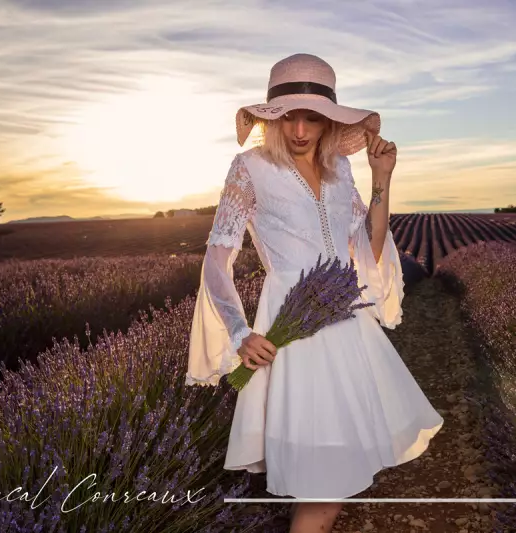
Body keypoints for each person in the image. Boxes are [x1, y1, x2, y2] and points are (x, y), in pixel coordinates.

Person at [186, 53, 444, 533]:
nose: (299, 130)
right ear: (272, 118)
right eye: (288, 117)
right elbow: (217, 259)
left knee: (336, 479)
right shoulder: (249, 168)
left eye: (312, 117)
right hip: (294, 332)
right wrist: (240, 331)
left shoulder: (340, 170)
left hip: (346, 325)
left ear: (329, 120)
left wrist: (381, 178)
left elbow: (366, 249)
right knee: (326, 485)